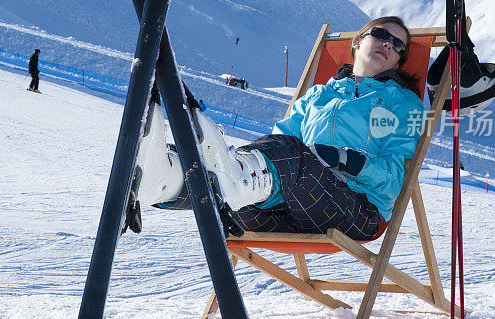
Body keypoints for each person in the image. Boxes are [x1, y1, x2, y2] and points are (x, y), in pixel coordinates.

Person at [133, 17, 425, 241]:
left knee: (279, 159)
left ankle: (222, 172)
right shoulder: (320, 94)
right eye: (381, 34)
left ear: (399, 60)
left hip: (354, 210)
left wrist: (347, 160)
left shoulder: (399, 104)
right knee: (240, 190)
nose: (388, 44)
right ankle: (164, 181)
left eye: (397, 45)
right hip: (291, 206)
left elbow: (394, 177)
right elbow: (278, 142)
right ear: (358, 41)